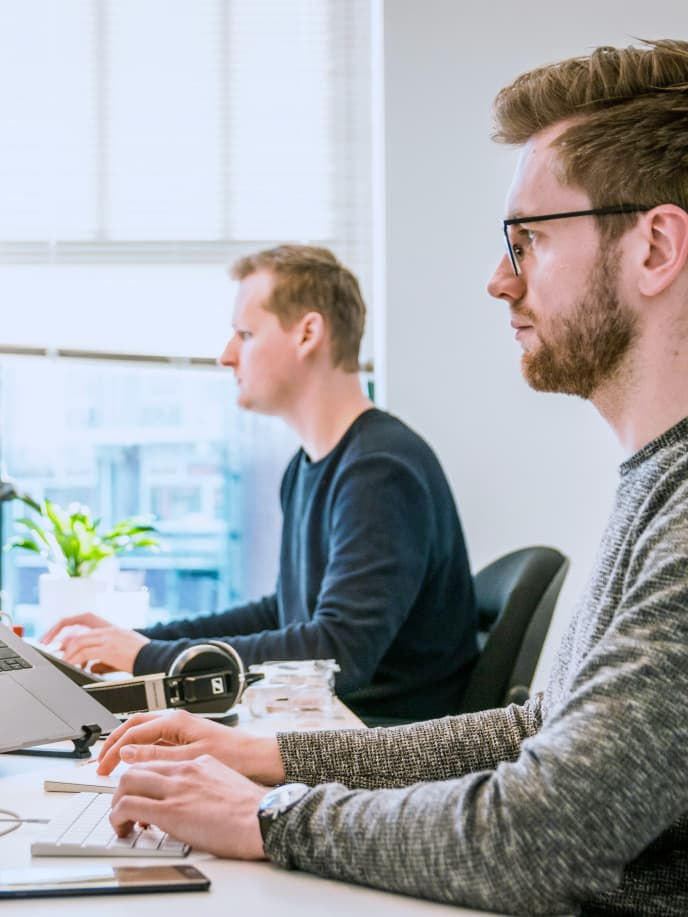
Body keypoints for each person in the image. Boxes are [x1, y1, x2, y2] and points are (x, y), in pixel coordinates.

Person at [95, 39, 688, 915]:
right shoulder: (653, 484)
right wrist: (272, 759)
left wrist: (269, 815)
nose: (498, 280)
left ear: (654, 247)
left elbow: (545, 827)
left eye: (526, 241)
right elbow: (536, 731)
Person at [43, 244, 478, 723]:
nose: (226, 356)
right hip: (330, 727)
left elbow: (337, 654)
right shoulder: (310, 466)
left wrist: (148, 659)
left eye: (245, 334)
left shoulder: (380, 471)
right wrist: (142, 641)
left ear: (308, 333)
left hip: (379, 746)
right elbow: (284, 614)